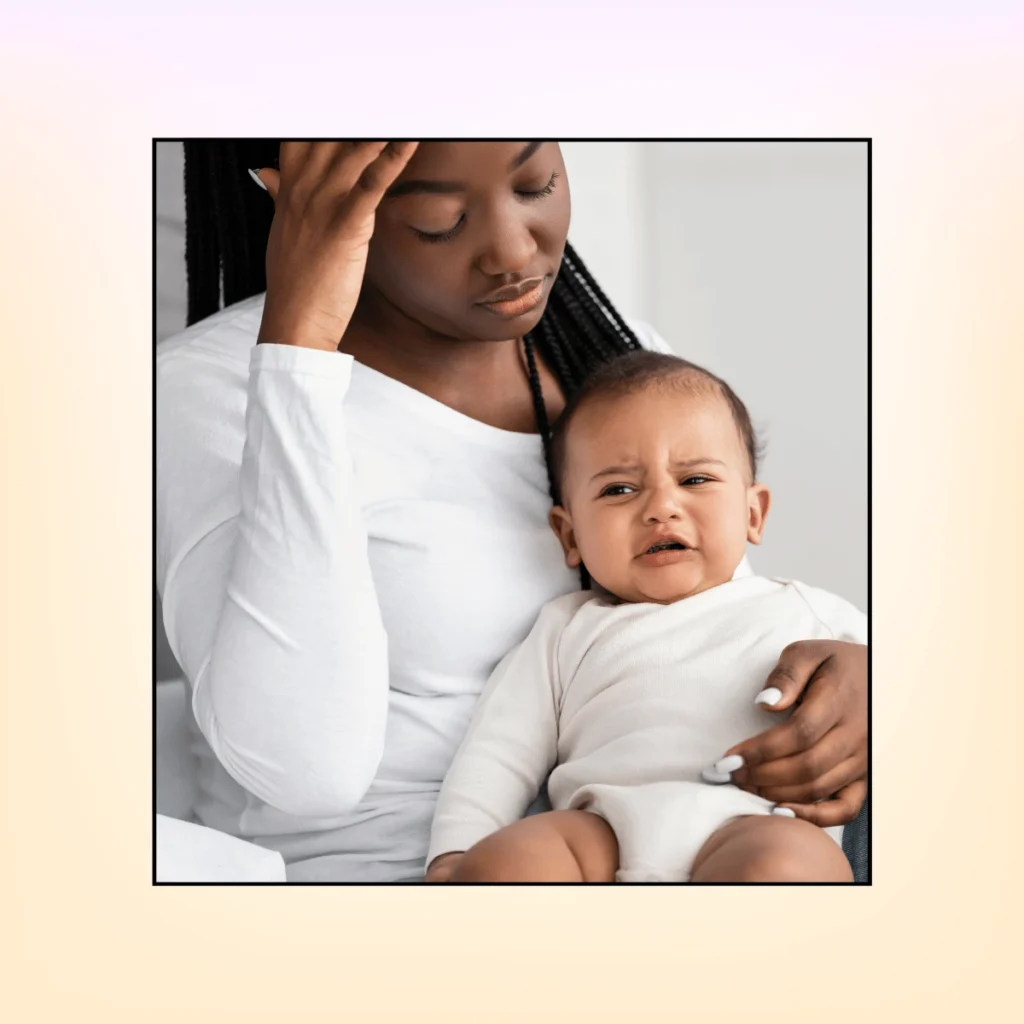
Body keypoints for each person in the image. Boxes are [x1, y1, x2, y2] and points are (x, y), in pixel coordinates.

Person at [156, 141, 868, 883]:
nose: (511, 252)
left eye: (537, 185)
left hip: (716, 840)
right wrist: (299, 353)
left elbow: (715, 612)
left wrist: (857, 684)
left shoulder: (605, 346)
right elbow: (305, 769)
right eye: (439, 218)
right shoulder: (212, 389)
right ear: (295, 197)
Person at [426, 351, 864, 883]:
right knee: (505, 862)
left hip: (757, 821)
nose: (661, 507)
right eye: (619, 489)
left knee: (790, 865)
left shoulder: (807, 613)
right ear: (570, 536)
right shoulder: (566, 628)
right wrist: (455, 852)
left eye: (696, 480)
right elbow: (499, 751)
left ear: (753, 513)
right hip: (598, 830)